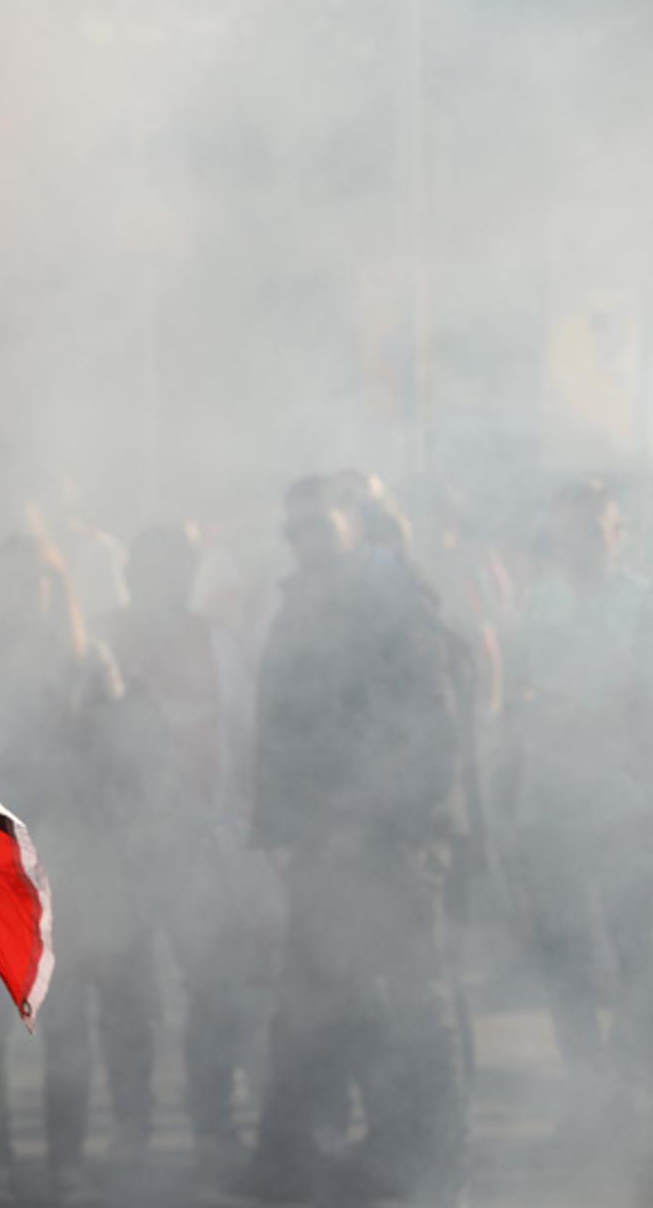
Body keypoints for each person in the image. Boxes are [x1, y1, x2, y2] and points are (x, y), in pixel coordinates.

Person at [236, 475, 468, 1206]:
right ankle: (301, 1161)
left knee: (408, 1001)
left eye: (316, 525)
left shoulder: (397, 598)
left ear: (354, 523)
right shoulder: (301, 602)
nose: (301, 540)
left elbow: (431, 724)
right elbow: (277, 724)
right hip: (320, 839)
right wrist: (277, 826)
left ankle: (423, 1165)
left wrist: (403, 825)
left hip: (390, 840)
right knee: (313, 998)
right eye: (292, 528)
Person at [0, 531, 146, 1206]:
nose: (23, 593)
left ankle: (66, 1164)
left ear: (54, 588)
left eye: (35, 579)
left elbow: (124, 766)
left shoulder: (87, 662)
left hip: (71, 858)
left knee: (65, 1020)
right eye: (10, 580)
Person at [98, 523, 272, 1171]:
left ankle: (212, 1122)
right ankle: (131, 1124)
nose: (159, 582)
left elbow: (247, 741)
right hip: (122, 848)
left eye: (172, 569)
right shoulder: (103, 636)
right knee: (125, 992)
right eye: (148, 568)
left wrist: (245, 835)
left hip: (200, 843)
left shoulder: (218, 643)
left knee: (215, 987)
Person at [502, 478, 653, 1139]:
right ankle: (590, 1095)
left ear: (617, 534)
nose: (579, 541)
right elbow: (520, 688)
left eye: (593, 528)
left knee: (638, 959)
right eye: (567, 528)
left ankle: (621, 1078)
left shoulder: (641, 602)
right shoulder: (541, 597)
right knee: (564, 960)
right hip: (551, 802)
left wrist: (596, 709)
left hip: (625, 804)